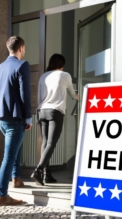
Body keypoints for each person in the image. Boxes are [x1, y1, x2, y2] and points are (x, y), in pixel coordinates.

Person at [0, 36, 32, 206]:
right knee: (9, 156)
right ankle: (2, 195)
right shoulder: (22, 65)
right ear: (21, 48)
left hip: (0, 116)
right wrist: (28, 116)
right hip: (15, 116)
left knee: (16, 146)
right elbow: (25, 94)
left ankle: (16, 178)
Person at [31, 53, 79, 186]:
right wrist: (78, 96)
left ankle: (47, 174)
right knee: (51, 143)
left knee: (45, 143)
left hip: (42, 111)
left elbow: (39, 98)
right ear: (61, 65)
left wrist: (37, 115)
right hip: (55, 111)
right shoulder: (65, 75)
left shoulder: (43, 77)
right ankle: (39, 170)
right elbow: (72, 94)